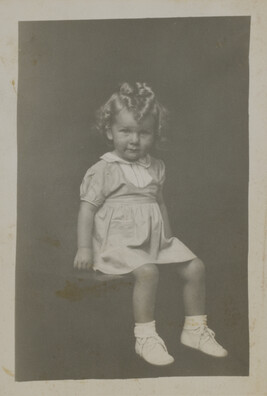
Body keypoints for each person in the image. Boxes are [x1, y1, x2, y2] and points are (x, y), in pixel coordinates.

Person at [74, 82, 228, 366]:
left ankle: (195, 330)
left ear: (155, 135)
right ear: (109, 131)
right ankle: (145, 337)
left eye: (143, 133)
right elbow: (87, 209)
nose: (134, 140)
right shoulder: (103, 169)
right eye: (126, 131)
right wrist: (84, 247)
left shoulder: (156, 166)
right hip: (117, 245)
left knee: (195, 266)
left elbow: (159, 203)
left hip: (153, 241)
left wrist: (168, 239)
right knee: (147, 272)